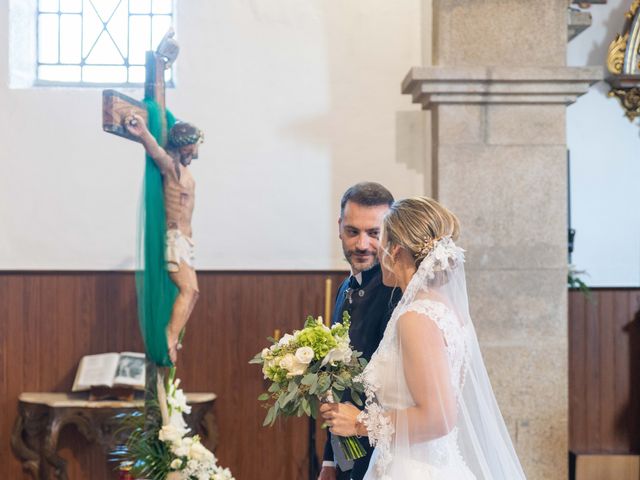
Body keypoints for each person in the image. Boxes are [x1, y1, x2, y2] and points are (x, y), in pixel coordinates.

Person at [321, 197, 526, 479]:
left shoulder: (416, 317)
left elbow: (437, 418)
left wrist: (359, 423)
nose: (378, 253)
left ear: (395, 250)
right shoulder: (441, 308)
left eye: (381, 241)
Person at [319, 182, 402, 480]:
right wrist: (330, 461)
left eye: (374, 233)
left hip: (388, 457)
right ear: (340, 227)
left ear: (391, 233)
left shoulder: (398, 292)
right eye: (353, 231)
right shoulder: (344, 288)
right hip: (347, 460)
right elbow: (338, 384)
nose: (362, 244)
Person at [125, 113, 204, 364]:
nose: (198, 149)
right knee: (188, 289)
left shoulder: (184, 171)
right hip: (175, 239)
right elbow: (156, 152)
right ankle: (168, 337)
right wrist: (143, 133)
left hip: (186, 242)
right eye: (195, 145)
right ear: (186, 146)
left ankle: (174, 335)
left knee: (194, 293)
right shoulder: (171, 167)